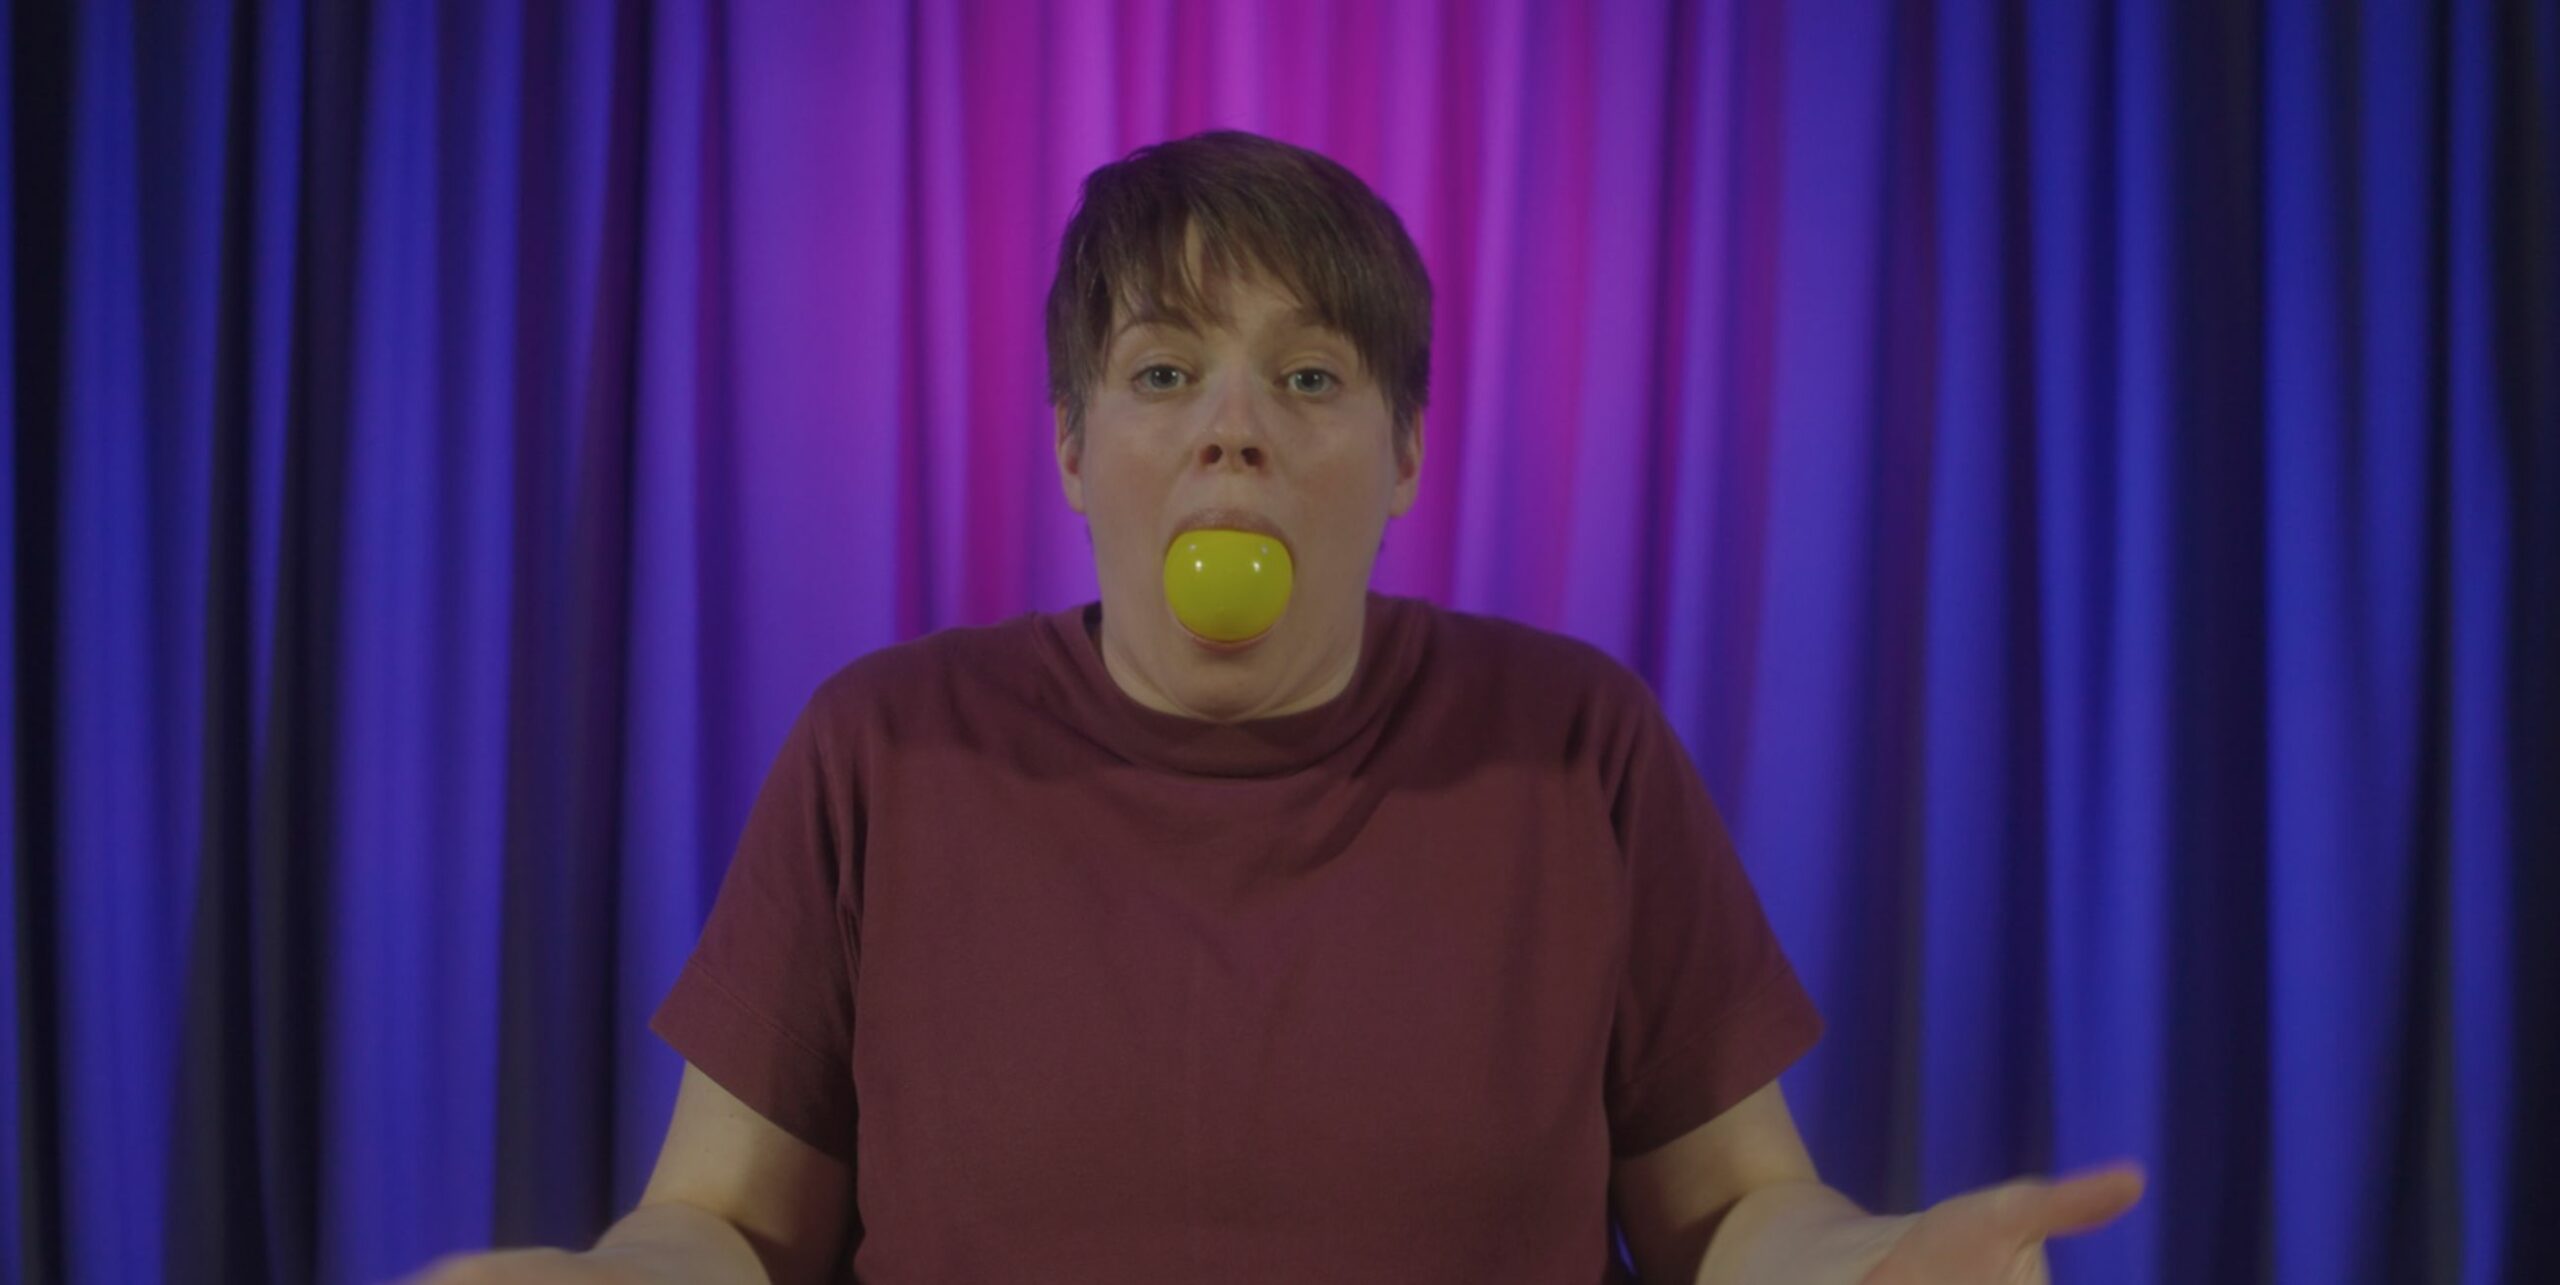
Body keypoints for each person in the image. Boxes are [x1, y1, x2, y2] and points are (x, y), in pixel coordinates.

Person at [409, 130, 2143, 1285]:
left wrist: (1861, 1268)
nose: (1232, 427)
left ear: (1404, 457)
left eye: (1310, 376)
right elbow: (721, 1224)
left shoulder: (1574, 743)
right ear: (1074, 448)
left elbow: (1738, 1209)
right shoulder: (882, 745)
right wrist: (609, 1280)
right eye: (1164, 371)